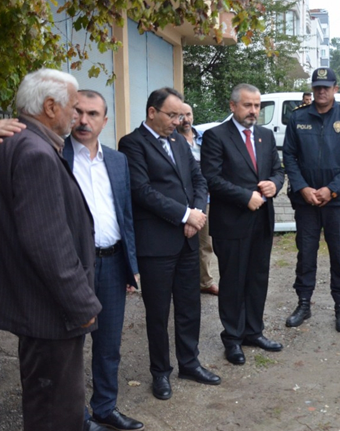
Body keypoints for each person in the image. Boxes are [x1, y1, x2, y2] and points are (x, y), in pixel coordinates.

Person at [0, 68, 102, 431]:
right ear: (50, 106)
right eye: (75, 108)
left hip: (36, 306)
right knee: (56, 411)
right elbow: (47, 242)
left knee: (47, 404)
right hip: (50, 311)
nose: (79, 117)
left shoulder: (13, 142)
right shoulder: (34, 151)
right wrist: (81, 306)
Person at [118, 87, 220, 400]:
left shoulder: (178, 141)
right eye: (171, 115)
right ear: (152, 112)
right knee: (158, 313)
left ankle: (189, 362)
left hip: (187, 242)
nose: (178, 121)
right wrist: (185, 215)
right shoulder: (132, 144)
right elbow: (141, 191)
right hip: (157, 246)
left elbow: (198, 178)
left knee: (190, 307)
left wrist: (197, 214)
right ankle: (160, 372)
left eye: (180, 115)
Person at [62, 90, 144, 431]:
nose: (84, 120)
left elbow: (125, 215)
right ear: (68, 115)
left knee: (109, 344)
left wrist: (131, 267)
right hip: (72, 267)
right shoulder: (55, 157)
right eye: (78, 112)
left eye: (93, 114)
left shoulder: (117, 160)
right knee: (69, 347)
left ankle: (105, 408)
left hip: (111, 264)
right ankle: (74, 417)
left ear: (104, 121)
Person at [202, 84, 285, 365]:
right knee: (234, 282)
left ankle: (254, 331)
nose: (253, 111)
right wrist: (244, 196)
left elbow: (277, 169)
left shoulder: (264, 135)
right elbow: (211, 178)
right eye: (248, 105)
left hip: (261, 221)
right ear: (233, 106)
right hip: (231, 223)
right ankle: (233, 338)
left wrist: (275, 184)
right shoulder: (216, 137)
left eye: (257, 106)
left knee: (258, 278)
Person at [282, 67, 340, 332]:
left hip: (337, 201)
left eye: (326, 87)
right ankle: (304, 303)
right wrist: (303, 187)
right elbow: (290, 156)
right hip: (305, 201)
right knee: (306, 254)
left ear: (335, 89)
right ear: (312, 88)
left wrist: (332, 189)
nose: (321, 91)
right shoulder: (297, 118)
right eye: (317, 86)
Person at [178, 103, 219, 295]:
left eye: (188, 114)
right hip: (182, 199)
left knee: (205, 241)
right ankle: (179, 281)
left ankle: (205, 281)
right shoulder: (172, 140)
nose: (185, 119)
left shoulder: (204, 138)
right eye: (181, 116)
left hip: (206, 199)